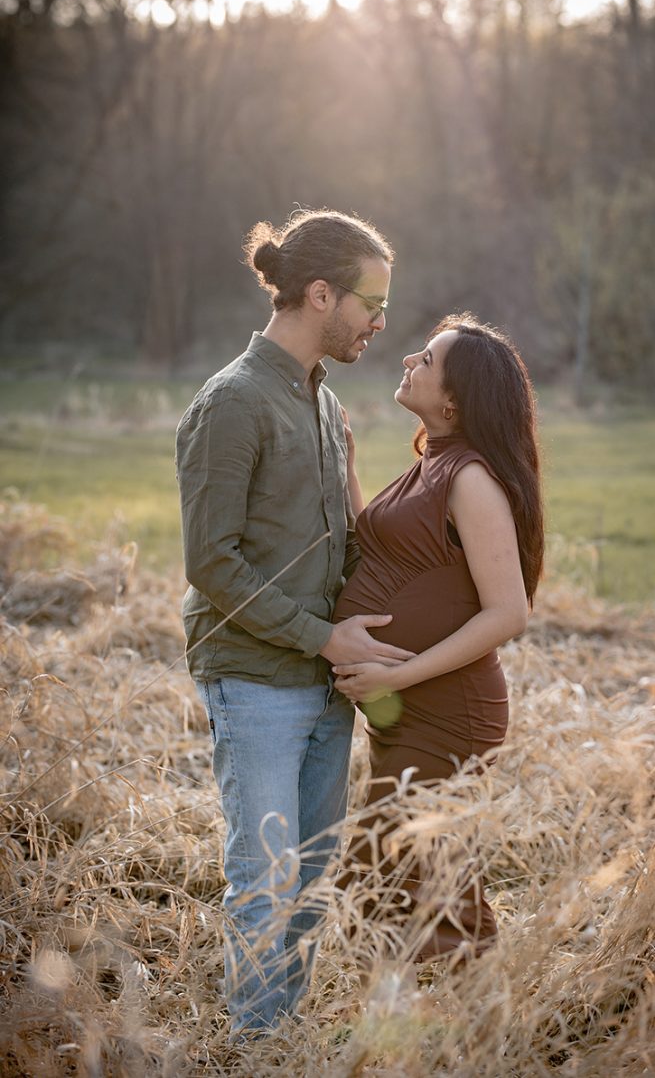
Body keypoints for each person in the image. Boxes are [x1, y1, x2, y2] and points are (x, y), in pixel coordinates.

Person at [175, 208, 415, 1038]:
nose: (381, 322)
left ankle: (282, 1035)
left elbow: (341, 540)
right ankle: (252, 1044)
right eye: (370, 303)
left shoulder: (324, 403)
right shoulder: (232, 403)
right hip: (255, 681)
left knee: (310, 878)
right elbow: (212, 562)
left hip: (326, 685)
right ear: (320, 294)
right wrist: (322, 637)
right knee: (265, 879)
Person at [332, 313, 544, 962]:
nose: (406, 363)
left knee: (418, 879)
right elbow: (374, 550)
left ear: (453, 398)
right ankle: (415, 1020)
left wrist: (394, 674)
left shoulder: (470, 479)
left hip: (448, 713)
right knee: (397, 872)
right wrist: (345, 464)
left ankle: (479, 1027)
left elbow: (508, 613)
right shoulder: (432, 463)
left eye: (425, 359)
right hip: (410, 710)